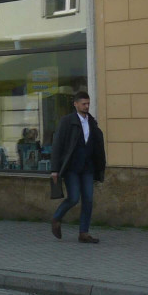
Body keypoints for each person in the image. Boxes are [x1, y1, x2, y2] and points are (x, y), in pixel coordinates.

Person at [51, 91, 106, 244]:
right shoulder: (67, 121)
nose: (86, 106)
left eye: (88, 103)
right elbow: (57, 146)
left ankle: (84, 233)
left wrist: (99, 167)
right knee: (74, 198)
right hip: (72, 168)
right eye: (83, 104)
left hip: (88, 167)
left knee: (88, 200)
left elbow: (97, 146)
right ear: (75, 104)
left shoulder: (91, 122)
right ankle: (56, 218)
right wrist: (55, 169)